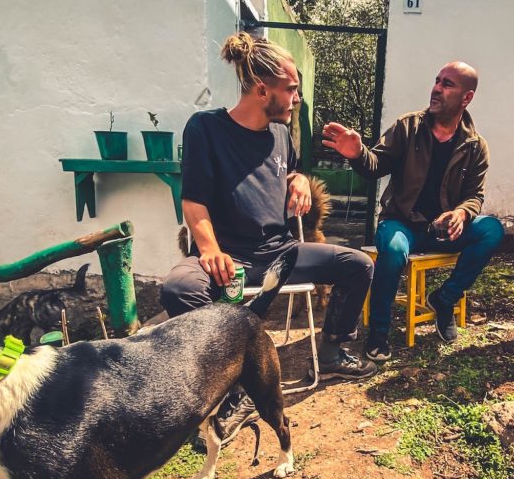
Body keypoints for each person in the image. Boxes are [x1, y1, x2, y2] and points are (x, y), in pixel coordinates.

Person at [161, 32, 377, 444]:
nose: (296, 98)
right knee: (179, 289)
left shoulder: (282, 133)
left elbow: (288, 169)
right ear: (263, 89)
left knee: (358, 265)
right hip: (229, 255)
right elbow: (193, 204)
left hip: (281, 252)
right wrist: (209, 250)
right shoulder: (206, 128)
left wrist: (298, 180)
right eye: (291, 89)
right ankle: (221, 387)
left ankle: (332, 350)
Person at [322, 61, 504, 361]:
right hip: (401, 223)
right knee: (393, 252)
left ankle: (444, 300)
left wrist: (461, 214)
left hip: (442, 231)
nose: (436, 88)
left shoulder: (475, 146)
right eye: (437, 80)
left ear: (466, 97)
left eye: (447, 84)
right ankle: (379, 334)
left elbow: (475, 195)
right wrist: (357, 154)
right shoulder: (408, 127)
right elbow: (375, 166)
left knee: (492, 230)